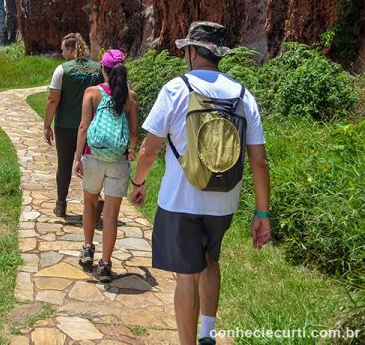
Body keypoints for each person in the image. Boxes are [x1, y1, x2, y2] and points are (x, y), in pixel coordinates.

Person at [129, 21, 271, 345]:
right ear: (219, 54)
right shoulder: (242, 94)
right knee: (211, 260)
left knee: (186, 276)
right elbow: (259, 160)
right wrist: (262, 213)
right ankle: (208, 333)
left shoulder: (176, 88)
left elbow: (150, 148)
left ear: (192, 52)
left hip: (180, 201)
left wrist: (138, 181)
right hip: (224, 201)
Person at [72, 49, 138, 282]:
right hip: (118, 161)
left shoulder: (92, 93)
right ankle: (106, 264)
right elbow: (133, 135)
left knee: (90, 204)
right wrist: (130, 150)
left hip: (93, 157)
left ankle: (88, 248)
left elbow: (83, 127)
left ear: (104, 69)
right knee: (111, 214)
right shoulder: (130, 97)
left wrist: (78, 157)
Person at [44, 33, 103, 217]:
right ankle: (96, 201)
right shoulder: (98, 69)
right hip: (91, 126)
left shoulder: (62, 70)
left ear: (71, 49)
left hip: (66, 126)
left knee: (64, 165)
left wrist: (47, 125)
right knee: (92, 164)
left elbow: (53, 100)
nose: (62, 53)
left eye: (63, 49)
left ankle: (61, 204)